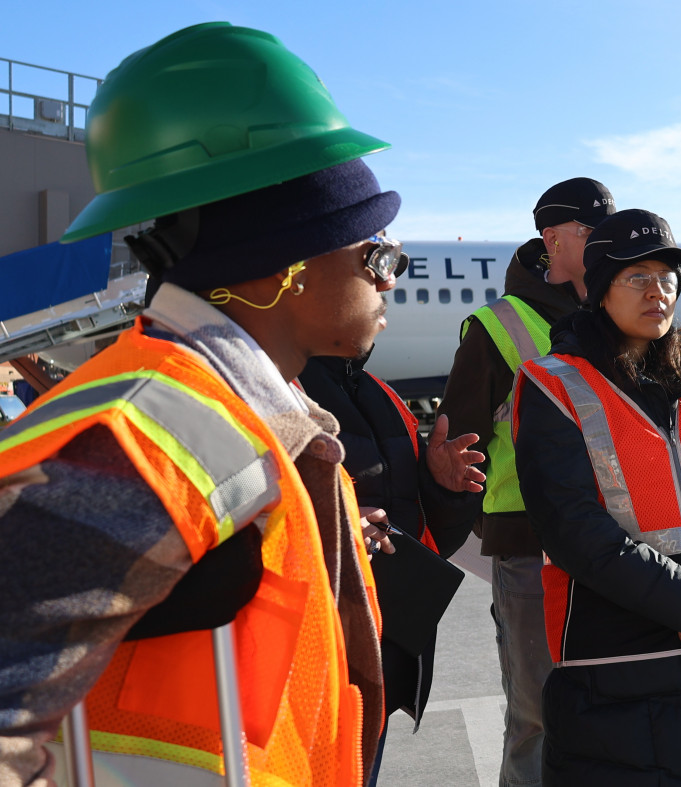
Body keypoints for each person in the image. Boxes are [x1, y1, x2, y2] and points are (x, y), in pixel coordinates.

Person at [0, 23, 476, 786]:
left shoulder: (249, 414)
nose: (392, 278)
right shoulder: (148, 431)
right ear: (283, 269)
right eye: (377, 254)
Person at [513, 209, 681, 785]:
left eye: (667, 277)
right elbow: (574, 529)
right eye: (638, 277)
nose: (657, 291)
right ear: (602, 290)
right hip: (618, 678)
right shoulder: (554, 384)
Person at [436, 177, 614, 787]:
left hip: (623, 549)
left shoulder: (619, 313)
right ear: (552, 239)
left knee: (614, 711)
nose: (601, 242)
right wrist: (493, 531)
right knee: (538, 718)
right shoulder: (499, 326)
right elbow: (459, 449)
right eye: (588, 231)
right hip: (532, 555)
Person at [298, 349, 485, 785]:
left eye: (394, 273)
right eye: (376, 273)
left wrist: (445, 491)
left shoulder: (382, 394)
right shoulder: (277, 390)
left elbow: (426, 540)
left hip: (380, 657)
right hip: (308, 661)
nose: (385, 287)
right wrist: (330, 522)